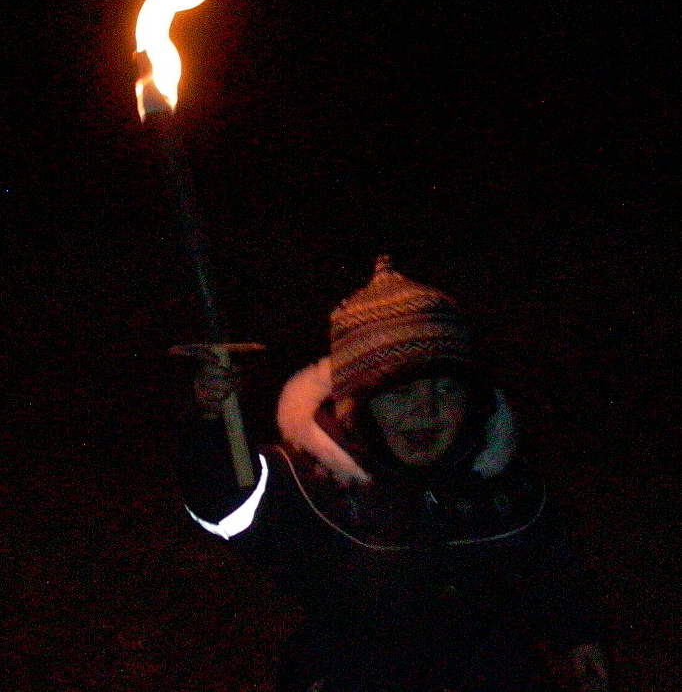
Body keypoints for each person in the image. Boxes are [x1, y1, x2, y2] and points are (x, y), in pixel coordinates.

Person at [179, 255, 609, 691]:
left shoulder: (501, 479)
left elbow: (547, 562)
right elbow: (222, 506)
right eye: (400, 394)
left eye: (446, 389)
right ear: (357, 407)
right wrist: (212, 422)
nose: (427, 412)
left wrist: (579, 634)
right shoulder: (311, 481)